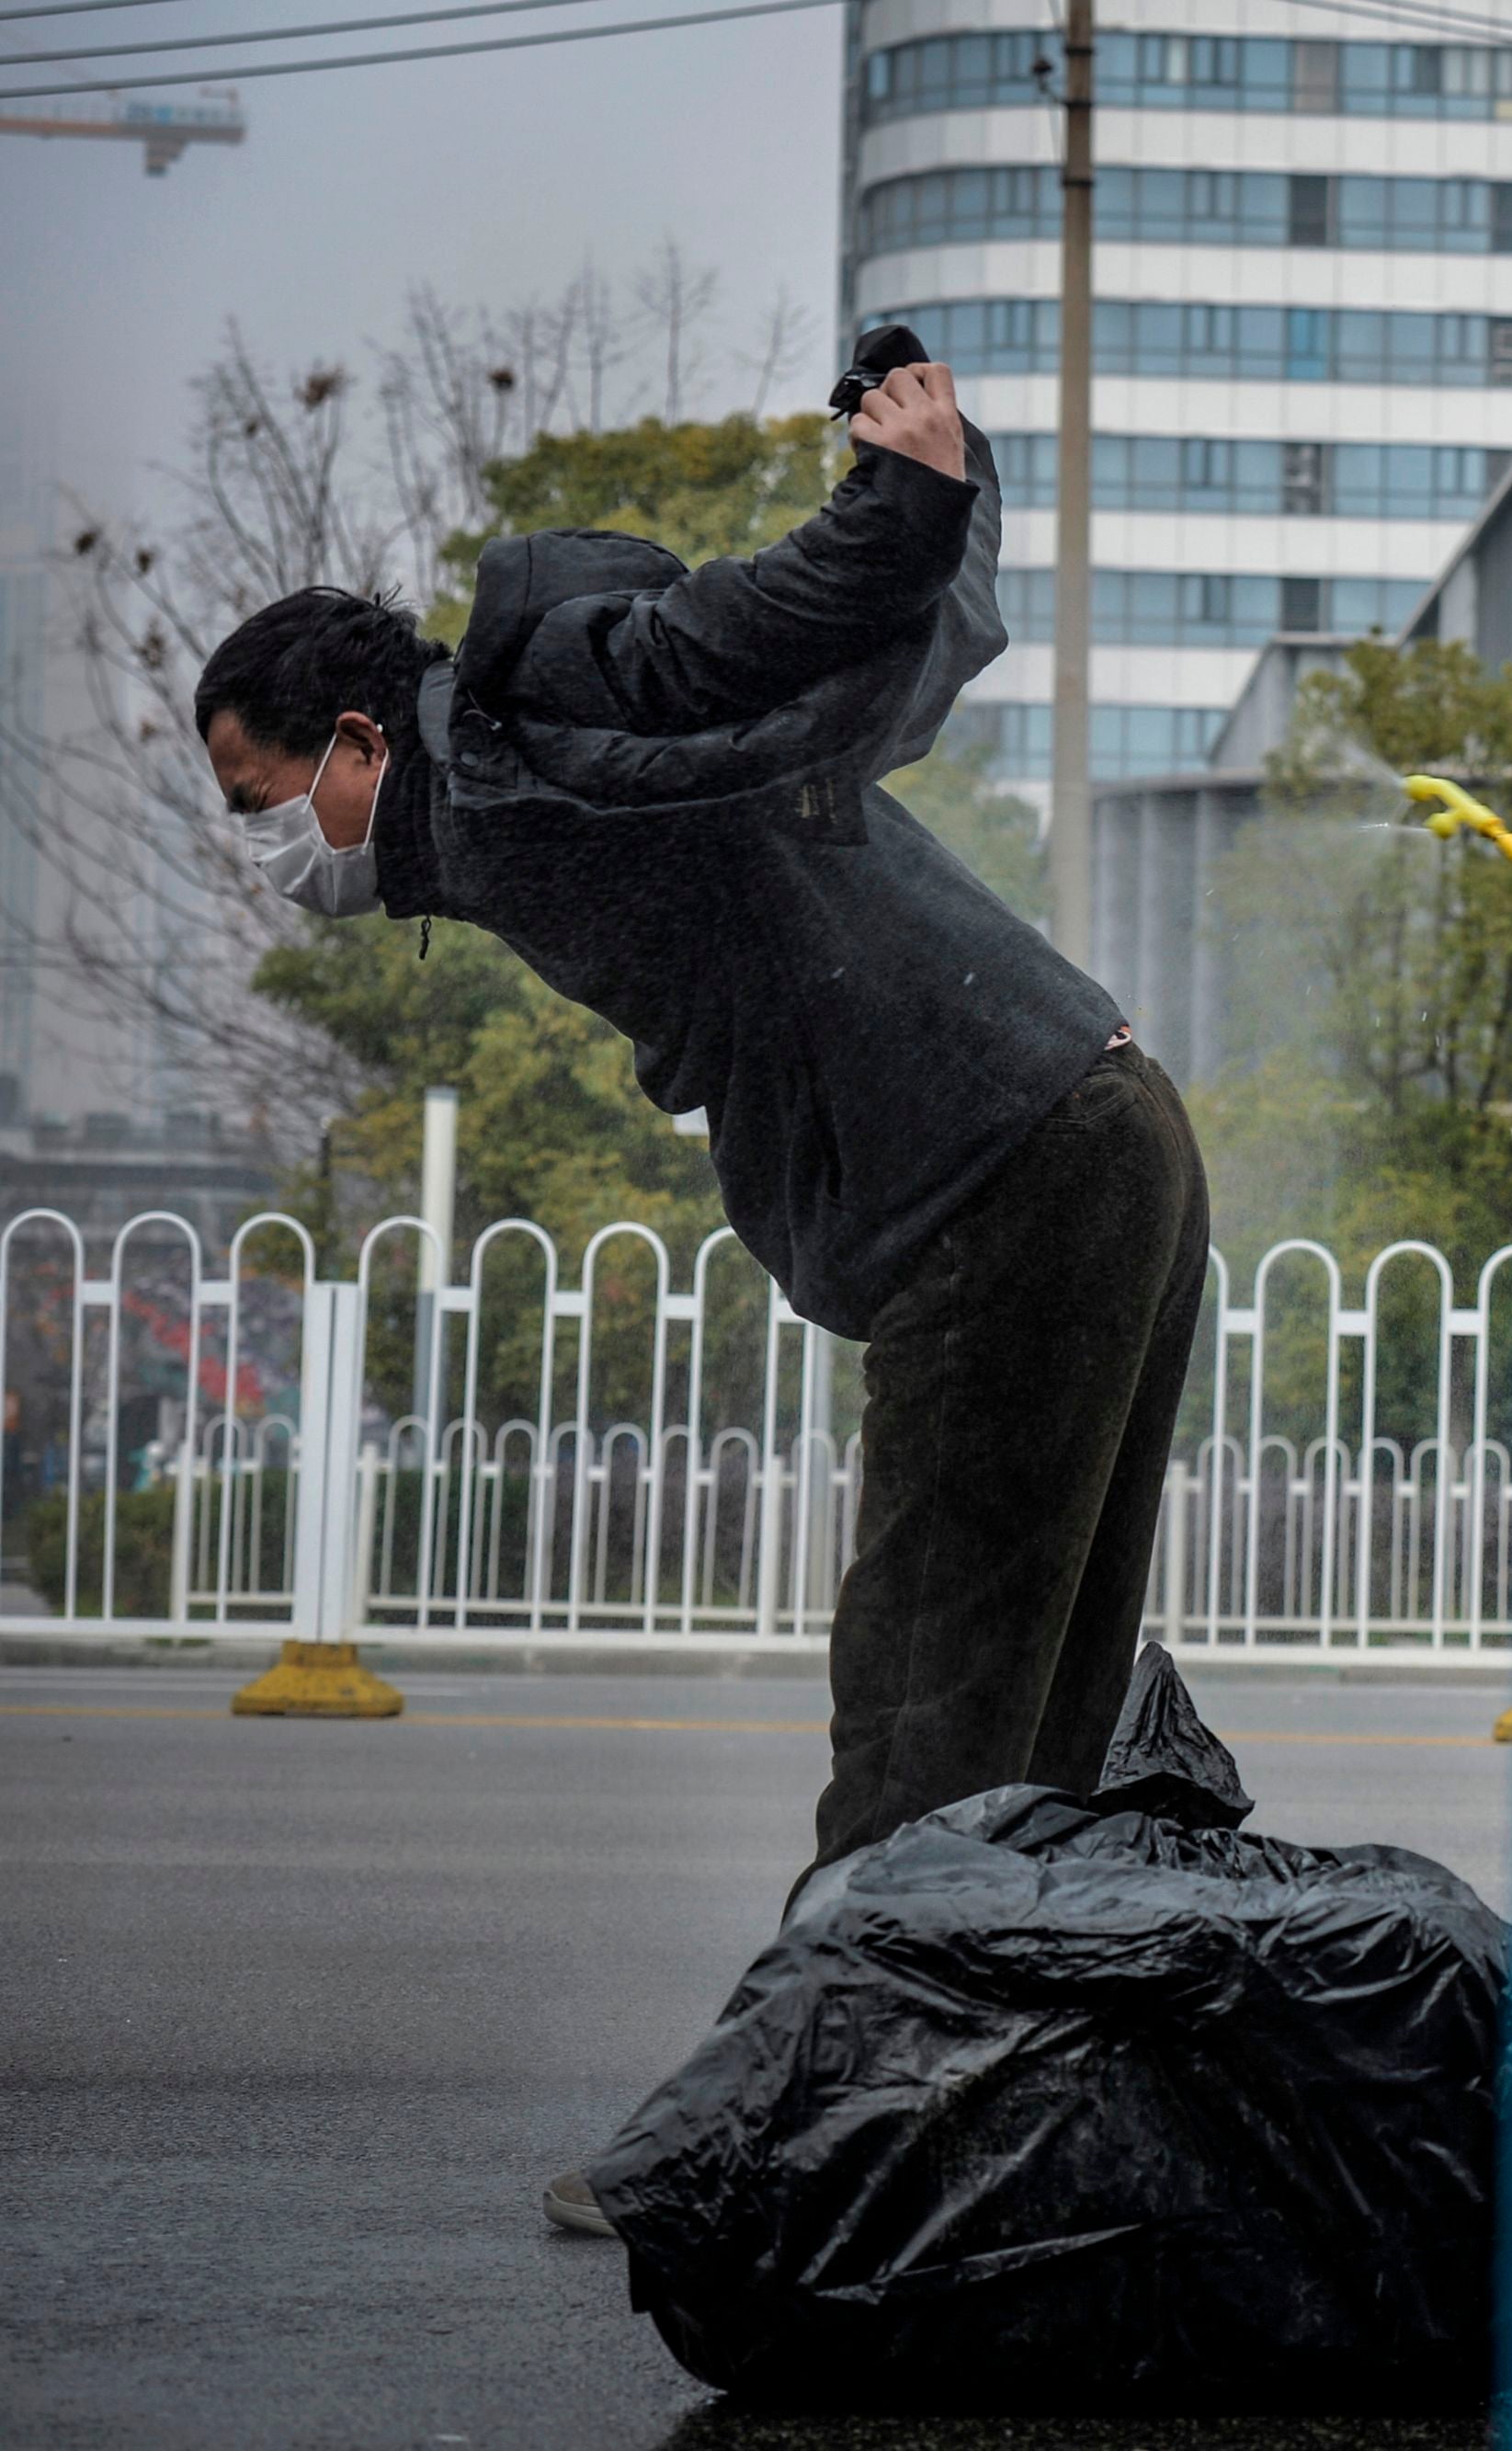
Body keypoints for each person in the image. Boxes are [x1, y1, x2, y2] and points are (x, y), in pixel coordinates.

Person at [192, 346, 1210, 2238]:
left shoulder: (509, 721)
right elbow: (833, 689)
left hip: (1010, 1171)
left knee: (923, 1712)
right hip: (1079, 1135)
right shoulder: (509, 801)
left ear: (351, 736)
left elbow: (717, 654)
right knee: (1016, 1722)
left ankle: (792, 2149)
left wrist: (895, 508)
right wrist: (943, 505)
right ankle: (1001, 2138)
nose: (279, 854)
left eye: (269, 803)